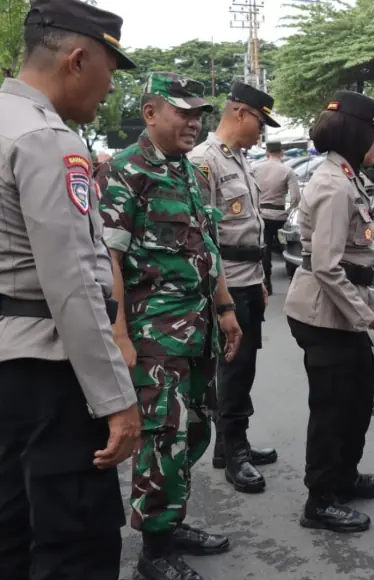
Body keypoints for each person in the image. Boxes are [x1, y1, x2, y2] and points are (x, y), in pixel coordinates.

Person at [0, 2, 140, 579]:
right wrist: (117, 401)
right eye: (110, 71)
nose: (109, 91)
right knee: (75, 541)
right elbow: (76, 286)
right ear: (77, 58)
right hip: (47, 371)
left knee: (11, 531)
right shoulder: (47, 140)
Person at [97, 71, 243, 580]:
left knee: (195, 429)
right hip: (154, 335)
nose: (193, 120)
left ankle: (172, 523)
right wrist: (118, 337)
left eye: (198, 112)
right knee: (163, 437)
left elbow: (207, 247)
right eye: (182, 111)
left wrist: (225, 309)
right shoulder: (123, 170)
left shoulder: (193, 172)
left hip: (198, 327)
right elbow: (108, 259)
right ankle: (153, 554)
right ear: (151, 112)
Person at [285, 90, 374, 533]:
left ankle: (344, 477)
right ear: (358, 136)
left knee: (356, 397)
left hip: (340, 308)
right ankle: (320, 500)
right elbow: (327, 267)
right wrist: (369, 318)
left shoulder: (346, 177)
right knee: (334, 407)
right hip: (323, 314)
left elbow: (354, 265)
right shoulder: (335, 185)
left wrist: (368, 311)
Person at [190, 82, 281, 494]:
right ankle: (233, 450)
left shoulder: (241, 159)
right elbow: (203, 238)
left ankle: (232, 443)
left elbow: (252, 231)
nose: (262, 132)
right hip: (224, 286)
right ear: (241, 113)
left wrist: (261, 282)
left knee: (243, 366)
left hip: (248, 281)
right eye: (260, 121)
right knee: (231, 367)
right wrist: (221, 297)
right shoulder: (205, 161)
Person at [253, 140, 301, 294]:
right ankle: (292, 280)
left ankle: (266, 282)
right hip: (280, 216)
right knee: (287, 247)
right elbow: (296, 198)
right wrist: (288, 213)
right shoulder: (288, 171)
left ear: (267, 153)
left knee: (265, 247)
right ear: (282, 153)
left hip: (261, 214)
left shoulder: (255, 169)